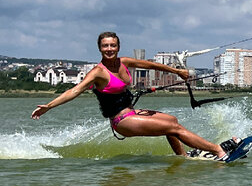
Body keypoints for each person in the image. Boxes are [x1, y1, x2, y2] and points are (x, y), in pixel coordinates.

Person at [31, 31, 238, 159]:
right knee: (173, 127)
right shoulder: (98, 72)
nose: (109, 49)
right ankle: (217, 149)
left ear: (118, 47)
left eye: (113, 45)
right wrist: (48, 106)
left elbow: (149, 64)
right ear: (99, 48)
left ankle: (183, 156)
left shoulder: (125, 62)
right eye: (105, 46)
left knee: (172, 122)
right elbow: (74, 91)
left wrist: (176, 71)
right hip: (122, 121)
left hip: (131, 113)